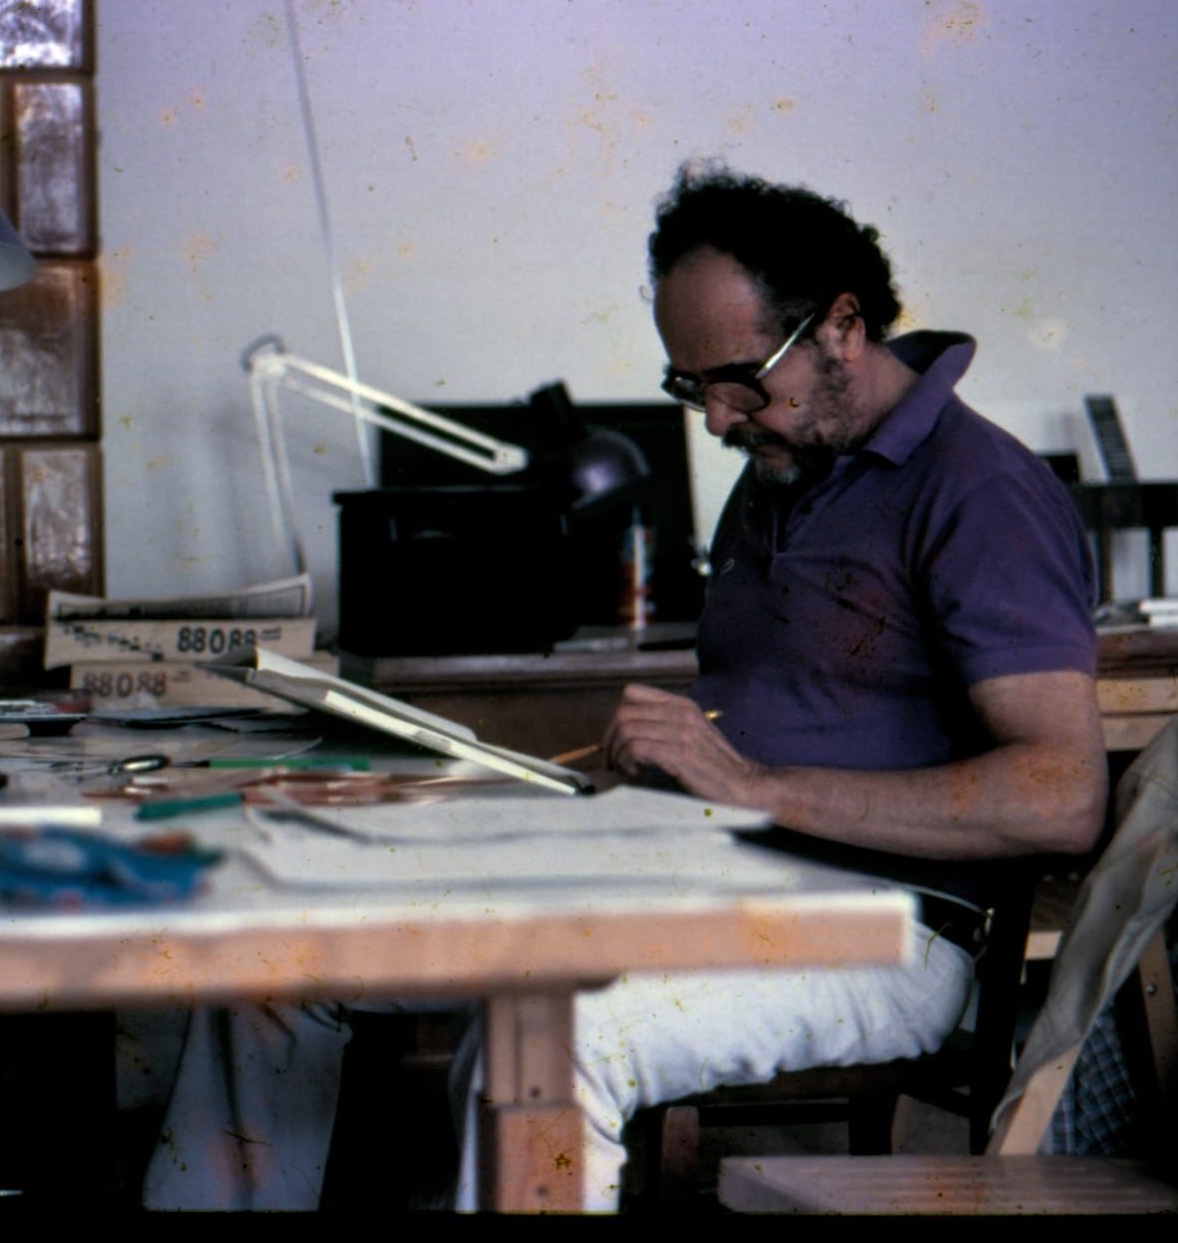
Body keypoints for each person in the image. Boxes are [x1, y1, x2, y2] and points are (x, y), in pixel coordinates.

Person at [143, 162, 1107, 1211]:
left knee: (546, 1035)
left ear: (840, 326)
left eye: (737, 379)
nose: (714, 421)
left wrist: (758, 789)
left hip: (884, 931)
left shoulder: (982, 492)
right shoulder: (783, 468)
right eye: (688, 387)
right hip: (700, 879)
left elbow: (1060, 797)